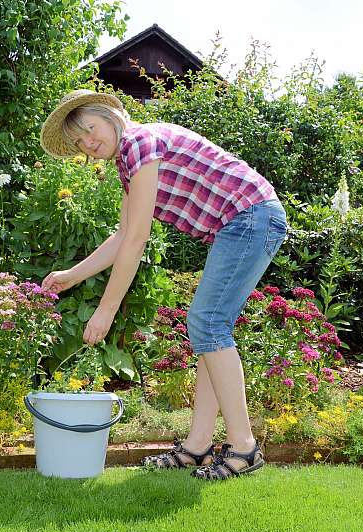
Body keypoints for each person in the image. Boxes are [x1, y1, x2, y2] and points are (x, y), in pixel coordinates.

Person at [39, 89, 287, 480]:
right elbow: (123, 235)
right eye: (79, 141)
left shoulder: (139, 143)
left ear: (111, 115)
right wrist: (73, 275)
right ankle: (198, 445)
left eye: (90, 128)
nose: (88, 142)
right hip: (242, 222)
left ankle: (244, 447)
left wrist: (105, 310)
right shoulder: (131, 158)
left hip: (250, 216)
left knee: (207, 323)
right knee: (210, 328)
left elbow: (137, 240)